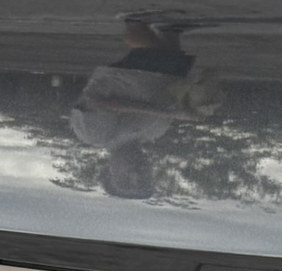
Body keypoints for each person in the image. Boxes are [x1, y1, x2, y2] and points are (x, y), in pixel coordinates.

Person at [69, 19, 224, 198]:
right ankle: (168, 29)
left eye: (125, 179)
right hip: (165, 74)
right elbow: (170, 99)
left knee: (149, 45)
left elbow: (97, 103)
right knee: (171, 49)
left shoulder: (95, 136)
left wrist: (170, 113)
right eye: (144, 179)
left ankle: (135, 22)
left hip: (129, 77)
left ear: (107, 171)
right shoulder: (154, 133)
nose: (136, 173)